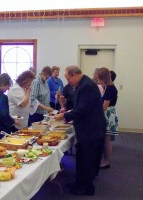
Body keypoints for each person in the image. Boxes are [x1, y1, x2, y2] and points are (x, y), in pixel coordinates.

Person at [54, 65, 106, 196]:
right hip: (88, 128)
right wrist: (64, 103)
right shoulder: (83, 84)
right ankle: (79, 183)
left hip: (90, 129)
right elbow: (79, 105)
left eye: (68, 79)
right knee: (82, 158)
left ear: (74, 75)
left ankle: (86, 188)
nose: (68, 82)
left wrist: (64, 116)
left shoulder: (86, 86)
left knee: (87, 159)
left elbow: (82, 110)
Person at [96, 68, 119, 169]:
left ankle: (106, 162)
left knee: (107, 140)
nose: (98, 82)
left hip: (108, 115)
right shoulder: (110, 87)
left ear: (103, 78)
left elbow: (105, 106)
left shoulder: (109, 88)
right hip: (110, 113)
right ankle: (105, 160)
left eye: (99, 79)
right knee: (106, 140)